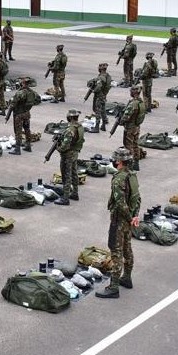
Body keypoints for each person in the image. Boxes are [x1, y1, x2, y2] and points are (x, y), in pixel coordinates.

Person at [95, 148, 140, 299]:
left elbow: (120, 203)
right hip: (129, 219)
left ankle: (113, 287)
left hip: (120, 220)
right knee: (127, 248)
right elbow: (137, 198)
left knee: (116, 251)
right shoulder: (132, 175)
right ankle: (127, 277)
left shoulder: (119, 178)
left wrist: (128, 217)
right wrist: (134, 216)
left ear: (119, 161)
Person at [54, 109, 85, 205]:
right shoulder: (80, 127)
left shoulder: (70, 130)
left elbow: (65, 146)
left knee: (66, 176)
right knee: (74, 173)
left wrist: (58, 147)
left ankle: (65, 198)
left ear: (70, 117)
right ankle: (75, 193)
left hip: (68, 155)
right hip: (75, 153)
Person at [7, 77, 39, 155]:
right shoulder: (32, 92)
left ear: (23, 83)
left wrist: (8, 115)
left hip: (19, 114)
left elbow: (12, 105)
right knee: (27, 129)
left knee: (18, 131)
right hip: (27, 113)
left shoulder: (20, 93)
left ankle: (17, 149)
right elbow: (37, 100)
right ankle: (28, 145)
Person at [119, 86, 146, 170]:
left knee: (128, 146)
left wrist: (121, 121)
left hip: (130, 127)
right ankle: (136, 163)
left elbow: (127, 116)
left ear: (134, 92)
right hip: (137, 126)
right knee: (135, 144)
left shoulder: (133, 103)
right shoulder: (141, 102)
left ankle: (129, 164)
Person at [87, 62, 112, 132]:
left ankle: (96, 127)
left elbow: (99, 86)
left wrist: (94, 91)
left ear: (100, 69)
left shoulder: (101, 77)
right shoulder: (108, 76)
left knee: (97, 111)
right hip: (104, 95)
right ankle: (103, 125)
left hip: (99, 96)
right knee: (103, 111)